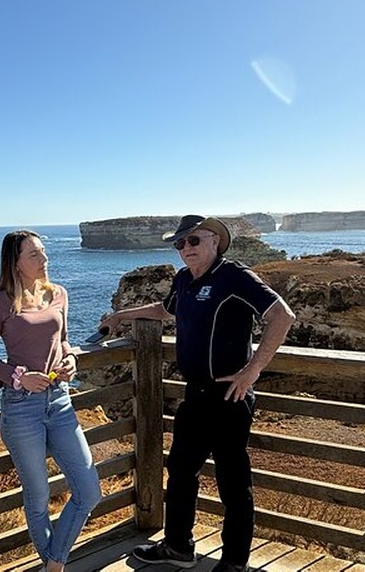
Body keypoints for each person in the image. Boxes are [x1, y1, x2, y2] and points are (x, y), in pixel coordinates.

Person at [98, 215, 296, 572]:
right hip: (195, 395)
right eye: (180, 243)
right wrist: (122, 315)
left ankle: (234, 563)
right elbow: (164, 310)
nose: (185, 248)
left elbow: (282, 316)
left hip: (229, 396)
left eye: (194, 240)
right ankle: (178, 547)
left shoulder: (233, 276)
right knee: (180, 471)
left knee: (232, 483)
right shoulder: (183, 279)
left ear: (215, 241)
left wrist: (252, 371)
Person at [0, 229, 101, 572]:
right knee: (38, 497)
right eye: (34, 254)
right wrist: (18, 377)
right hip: (21, 408)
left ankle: (53, 563)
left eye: (43, 251)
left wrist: (70, 359)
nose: (44, 258)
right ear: (15, 262)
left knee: (89, 491)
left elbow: (64, 340)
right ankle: (55, 567)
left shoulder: (58, 293)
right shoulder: (0, 302)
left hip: (60, 402)